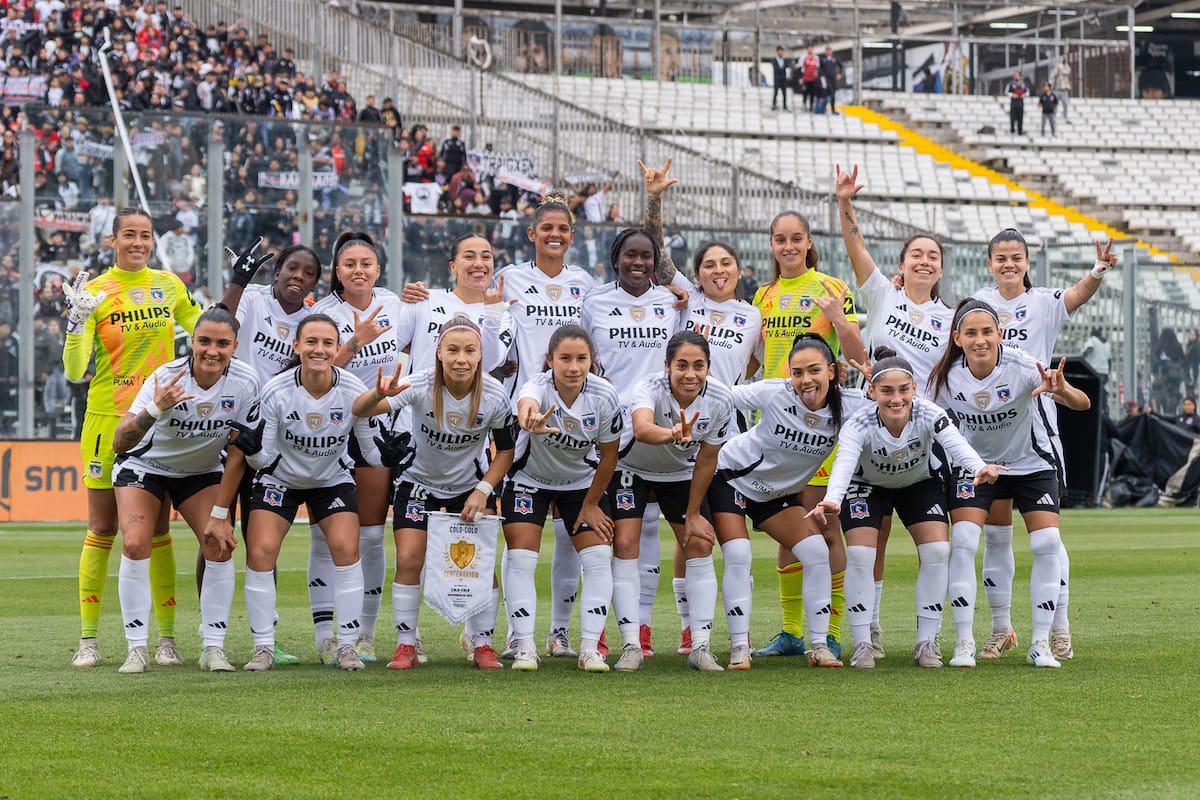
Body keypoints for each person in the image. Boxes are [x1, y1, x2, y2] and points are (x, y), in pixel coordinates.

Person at [62, 208, 202, 670]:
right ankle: (88, 640)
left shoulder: (170, 285)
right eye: (129, 235)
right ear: (112, 240)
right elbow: (74, 369)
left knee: (158, 530)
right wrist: (76, 323)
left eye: (145, 235)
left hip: (158, 421)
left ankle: (165, 640)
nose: (138, 242)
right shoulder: (96, 292)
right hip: (106, 420)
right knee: (102, 528)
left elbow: (206, 330)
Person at [973, 230, 1117, 662]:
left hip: (1036, 432)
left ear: (1027, 262)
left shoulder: (1043, 303)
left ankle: (1059, 628)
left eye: (1016, 258)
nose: (1009, 264)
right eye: (1001, 258)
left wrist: (1098, 270)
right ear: (989, 264)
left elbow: (1078, 294)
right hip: (991, 434)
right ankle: (1002, 630)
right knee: (995, 538)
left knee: (1047, 541)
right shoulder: (977, 304)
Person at [809, 350, 1003, 669]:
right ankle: (863, 644)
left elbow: (955, 444)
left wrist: (979, 466)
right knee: (859, 555)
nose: (896, 399)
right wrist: (833, 498)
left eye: (903, 390)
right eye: (886, 391)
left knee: (938, 550)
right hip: (867, 485)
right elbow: (844, 463)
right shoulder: (859, 423)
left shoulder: (928, 413)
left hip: (918, 482)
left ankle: (927, 642)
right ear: (872, 391)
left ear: (914, 389)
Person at [928, 299, 1091, 669]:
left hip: (1032, 464)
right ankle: (966, 642)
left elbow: (1083, 404)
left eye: (987, 332)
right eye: (970, 333)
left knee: (1047, 541)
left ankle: (1040, 643)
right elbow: (920, 413)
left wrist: (1061, 390)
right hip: (979, 467)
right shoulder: (947, 377)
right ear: (957, 338)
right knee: (966, 541)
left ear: (999, 334)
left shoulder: (1022, 365)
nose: (980, 340)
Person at [835, 163, 954, 658]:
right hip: (870, 436)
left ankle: (928, 642)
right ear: (901, 267)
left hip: (920, 443)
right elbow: (855, 247)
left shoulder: (953, 320)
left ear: (942, 269)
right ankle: (870, 635)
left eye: (933, 256)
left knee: (938, 549)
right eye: (916, 255)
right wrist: (845, 203)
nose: (925, 261)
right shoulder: (882, 293)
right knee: (869, 547)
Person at [645, 158, 762, 655]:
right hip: (677, 422)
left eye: (725, 264)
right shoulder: (685, 297)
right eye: (709, 265)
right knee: (686, 528)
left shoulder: (754, 313)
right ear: (696, 275)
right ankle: (689, 625)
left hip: (727, 427)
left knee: (715, 531)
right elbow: (654, 254)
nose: (718, 271)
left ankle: (722, 624)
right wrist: (655, 199)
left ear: (739, 270)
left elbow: (754, 369)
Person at [352, 315, 515, 671]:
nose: (461, 359)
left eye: (469, 351)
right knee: (409, 559)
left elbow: (505, 451)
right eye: (453, 350)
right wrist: (379, 394)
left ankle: (483, 645)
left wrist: (483, 491)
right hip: (418, 485)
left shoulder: (494, 394)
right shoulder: (418, 383)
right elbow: (360, 411)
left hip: (469, 489)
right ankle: (406, 645)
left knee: (481, 566)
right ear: (438, 352)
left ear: (480, 354)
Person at [110, 308, 259, 673]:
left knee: (219, 544)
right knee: (134, 543)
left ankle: (213, 647)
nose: (212, 351)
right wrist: (155, 409)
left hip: (201, 472)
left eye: (222, 344)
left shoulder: (246, 382)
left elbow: (238, 451)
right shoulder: (166, 377)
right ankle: (136, 648)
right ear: (192, 342)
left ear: (234, 347)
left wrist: (222, 516)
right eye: (204, 341)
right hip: (145, 467)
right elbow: (120, 441)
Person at [194, 239, 321, 665]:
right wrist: (237, 281)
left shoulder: (312, 319)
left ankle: (266, 638)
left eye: (308, 273)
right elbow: (218, 324)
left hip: (275, 439)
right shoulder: (250, 299)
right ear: (277, 270)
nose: (298, 277)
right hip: (229, 430)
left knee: (261, 539)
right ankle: (211, 635)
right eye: (292, 269)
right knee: (216, 530)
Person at [235, 314, 382, 671]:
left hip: (331, 479)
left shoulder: (352, 392)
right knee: (260, 552)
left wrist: (389, 453)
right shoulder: (276, 391)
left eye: (327, 343)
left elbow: (371, 453)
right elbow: (263, 459)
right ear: (296, 346)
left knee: (348, 549)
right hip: (280, 481)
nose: (319, 349)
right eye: (311, 342)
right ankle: (263, 647)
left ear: (337, 348)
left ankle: (346, 646)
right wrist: (253, 451)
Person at [713, 334, 870, 667]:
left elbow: (895, 400)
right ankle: (740, 647)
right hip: (731, 478)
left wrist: (879, 380)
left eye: (813, 370)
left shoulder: (852, 404)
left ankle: (817, 646)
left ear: (831, 371)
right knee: (739, 553)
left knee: (816, 553)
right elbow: (724, 396)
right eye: (797, 372)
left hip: (776, 495)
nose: (805, 380)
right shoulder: (774, 392)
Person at [751, 210, 867, 660]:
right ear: (773, 245)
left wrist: (840, 321)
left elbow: (857, 357)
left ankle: (831, 630)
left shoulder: (832, 288)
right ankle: (792, 632)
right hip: (776, 431)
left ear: (808, 242)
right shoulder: (764, 295)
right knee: (789, 533)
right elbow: (753, 361)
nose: (788, 246)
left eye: (796, 238)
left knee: (825, 526)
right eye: (780, 239)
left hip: (820, 428)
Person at [580, 227, 685, 667]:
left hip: (660, 430)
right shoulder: (594, 303)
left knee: (648, 531)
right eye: (629, 255)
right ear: (614, 258)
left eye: (646, 255)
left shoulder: (673, 301)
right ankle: (599, 631)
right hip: (610, 433)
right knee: (612, 536)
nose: (637, 262)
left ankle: (641, 629)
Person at [621, 332, 746, 671]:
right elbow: (642, 428)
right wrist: (673, 434)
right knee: (626, 542)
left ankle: (700, 647)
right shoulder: (648, 387)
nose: (690, 374)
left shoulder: (720, 399)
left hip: (679, 473)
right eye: (682, 366)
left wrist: (693, 513)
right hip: (631, 467)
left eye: (698, 366)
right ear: (667, 366)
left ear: (708, 367)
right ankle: (631, 644)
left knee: (700, 542)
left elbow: (707, 459)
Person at [310, 232, 406, 664]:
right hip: (331, 427)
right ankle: (324, 634)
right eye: (349, 264)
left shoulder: (400, 305)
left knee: (369, 535)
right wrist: (356, 340)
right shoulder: (323, 312)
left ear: (378, 269)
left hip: (378, 429)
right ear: (337, 271)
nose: (359, 270)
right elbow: (314, 368)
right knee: (322, 534)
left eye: (366, 262)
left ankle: (364, 634)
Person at [504, 325, 622, 672]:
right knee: (522, 558)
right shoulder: (535, 387)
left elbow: (610, 456)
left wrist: (589, 504)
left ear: (591, 361)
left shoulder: (605, 396)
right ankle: (524, 647)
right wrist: (530, 421)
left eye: (581, 359)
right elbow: (526, 407)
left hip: (580, 485)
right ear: (550, 360)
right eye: (565, 359)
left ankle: (590, 650)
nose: (573, 367)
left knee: (599, 556)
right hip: (530, 480)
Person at [819, 46, 843, 114]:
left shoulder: (835, 58)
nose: (829, 52)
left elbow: (841, 66)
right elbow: (820, 68)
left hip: (833, 78)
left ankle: (833, 109)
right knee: (825, 92)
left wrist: (839, 74)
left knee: (833, 94)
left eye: (830, 51)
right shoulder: (822, 58)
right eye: (827, 51)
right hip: (825, 79)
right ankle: (822, 109)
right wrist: (822, 76)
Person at [1005, 71, 1029, 135]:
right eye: (1015, 75)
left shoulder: (1023, 84)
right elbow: (1007, 92)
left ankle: (1020, 131)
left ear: (1020, 76)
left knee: (1020, 118)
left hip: (1020, 103)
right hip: (1013, 103)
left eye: (1017, 75)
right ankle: (1012, 130)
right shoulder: (1010, 84)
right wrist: (1012, 95)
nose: (1016, 76)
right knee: (1012, 117)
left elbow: (1027, 92)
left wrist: (1025, 95)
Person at [799, 45, 820, 112]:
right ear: (807, 49)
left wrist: (816, 74)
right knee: (805, 92)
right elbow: (800, 67)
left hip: (813, 79)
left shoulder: (816, 57)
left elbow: (817, 67)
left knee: (812, 93)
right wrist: (801, 78)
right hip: (806, 78)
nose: (810, 50)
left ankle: (811, 106)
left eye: (811, 49)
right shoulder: (803, 57)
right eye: (809, 49)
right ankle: (804, 105)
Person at [1051, 56, 1072, 123]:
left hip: (1064, 88)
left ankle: (1065, 116)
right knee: (1055, 103)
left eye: (1061, 59)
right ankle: (1054, 116)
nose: (1060, 60)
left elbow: (1067, 72)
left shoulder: (1066, 66)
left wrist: (1061, 66)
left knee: (1065, 103)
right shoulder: (1056, 67)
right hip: (1056, 88)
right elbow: (1053, 74)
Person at [770, 46, 790, 111]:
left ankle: (784, 106)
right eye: (780, 51)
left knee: (784, 93)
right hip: (777, 78)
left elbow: (788, 66)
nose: (781, 53)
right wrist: (782, 68)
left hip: (783, 79)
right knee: (775, 92)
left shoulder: (785, 60)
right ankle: (774, 104)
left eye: (782, 51)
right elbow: (776, 68)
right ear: (777, 52)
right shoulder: (774, 60)